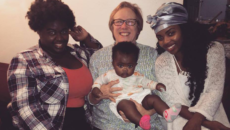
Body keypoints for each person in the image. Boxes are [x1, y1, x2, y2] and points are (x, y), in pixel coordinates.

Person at [7, 0, 102, 130]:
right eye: (52, 32)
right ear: (39, 30)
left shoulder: (77, 53)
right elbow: (27, 108)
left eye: (63, 32)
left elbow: (101, 57)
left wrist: (85, 38)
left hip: (84, 123)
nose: (59, 38)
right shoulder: (25, 60)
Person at [146, 2, 230, 130]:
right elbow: (174, 102)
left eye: (171, 33)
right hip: (179, 120)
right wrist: (205, 124)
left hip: (212, 115)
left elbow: (213, 91)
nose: (166, 41)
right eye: (160, 37)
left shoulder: (213, 50)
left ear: (184, 28)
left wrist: (199, 120)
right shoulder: (162, 62)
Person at [88, 2, 164, 130]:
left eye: (130, 22)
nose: (124, 26)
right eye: (118, 21)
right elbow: (89, 100)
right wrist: (100, 94)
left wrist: (149, 112)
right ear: (112, 27)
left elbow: (162, 94)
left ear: (138, 27)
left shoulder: (152, 55)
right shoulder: (97, 57)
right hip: (106, 126)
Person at [90, 42, 181, 130]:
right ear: (113, 63)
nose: (125, 69)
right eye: (120, 65)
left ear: (135, 65)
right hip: (122, 100)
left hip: (140, 98)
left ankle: (166, 113)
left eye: (130, 66)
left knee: (153, 98)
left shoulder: (137, 75)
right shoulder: (109, 74)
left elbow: (147, 82)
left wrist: (156, 85)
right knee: (126, 105)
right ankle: (141, 122)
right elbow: (99, 80)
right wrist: (96, 88)